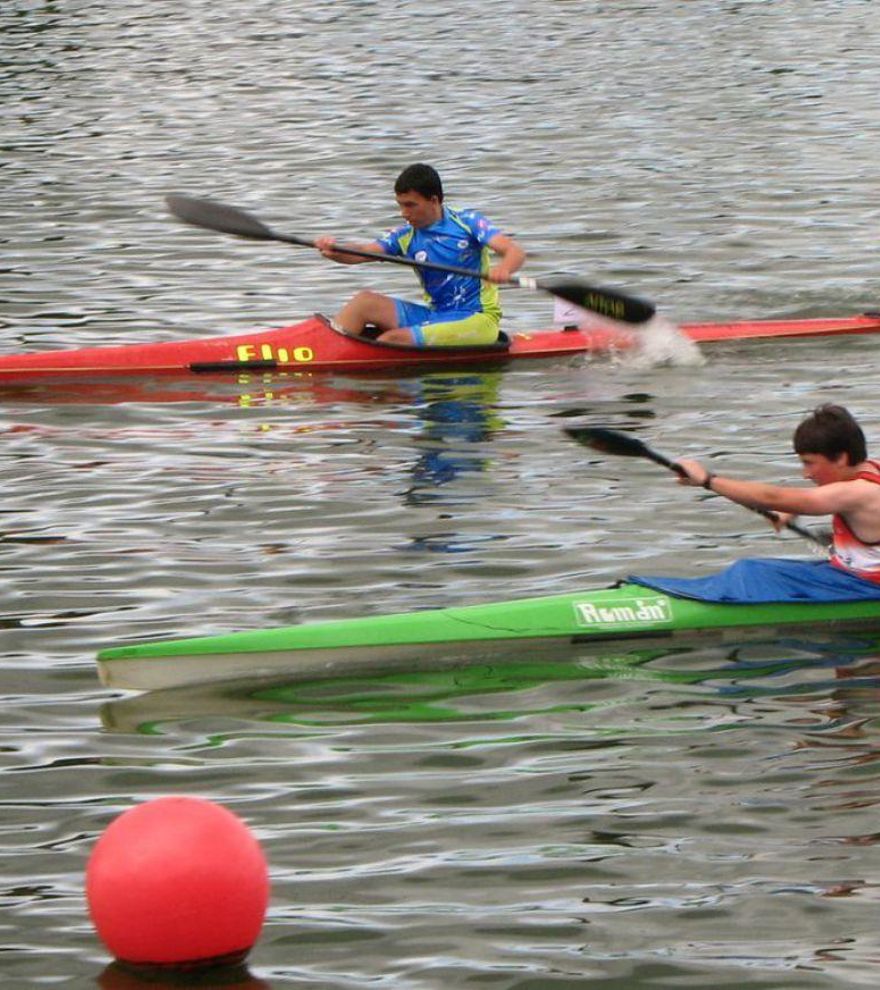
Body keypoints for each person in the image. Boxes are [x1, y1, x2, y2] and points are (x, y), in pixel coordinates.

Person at [630, 404, 880, 602]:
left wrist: (707, 480)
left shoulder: (858, 492)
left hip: (864, 588)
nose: (806, 474)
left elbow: (775, 498)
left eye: (809, 462)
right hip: (853, 578)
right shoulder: (871, 471)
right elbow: (809, 501)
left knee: (751, 570)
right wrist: (791, 511)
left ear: (841, 458)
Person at [313, 164, 526, 348]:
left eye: (410, 205)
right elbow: (363, 253)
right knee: (364, 302)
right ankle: (323, 353)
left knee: (392, 340)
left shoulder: (468, 222)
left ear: (434, 201)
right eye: (400, 205)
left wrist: (504, 269)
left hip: (477, 319)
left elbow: (514, 252)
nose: (404, 213)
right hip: (436, 315)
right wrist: (335, 251)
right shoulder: (405, 236)